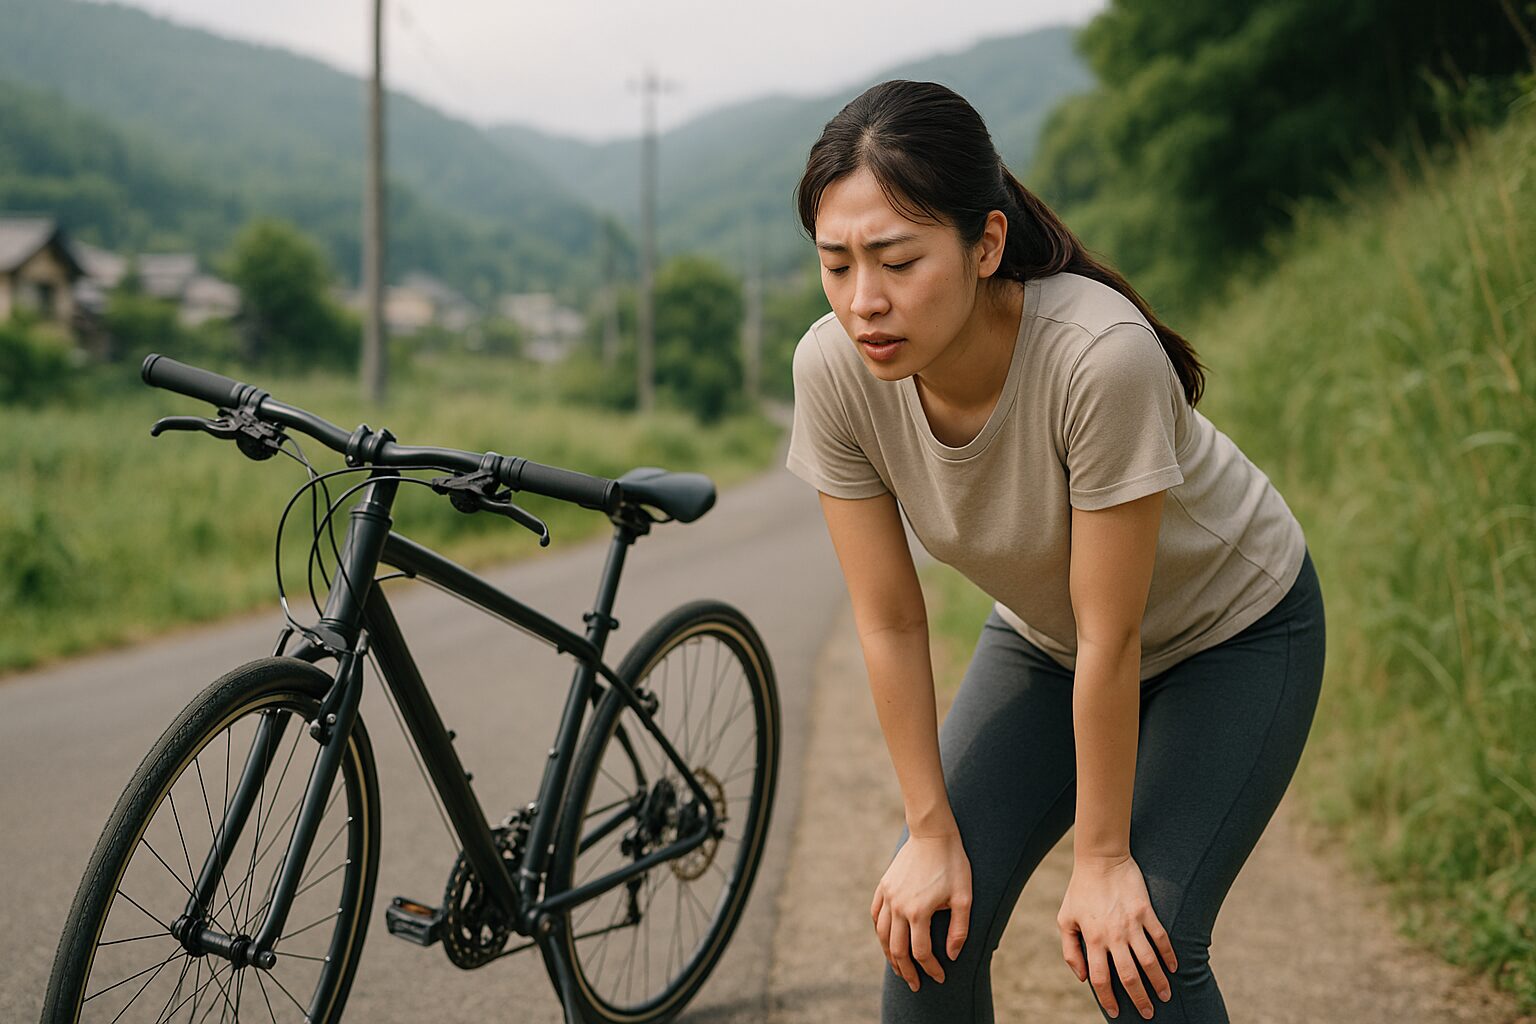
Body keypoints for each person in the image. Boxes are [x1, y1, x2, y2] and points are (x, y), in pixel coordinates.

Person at [784, 79, 1327, 1024]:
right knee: (928, 931)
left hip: (1235, 633)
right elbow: (888, 616)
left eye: (897, 261)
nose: (864, 302)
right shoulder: (834, 368)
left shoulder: (1098, 358)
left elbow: (1114, 636)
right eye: (836, 266)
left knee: (1139, 945)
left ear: (986, 243)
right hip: (1050, 640)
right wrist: (928, 834)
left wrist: (1103, 859)